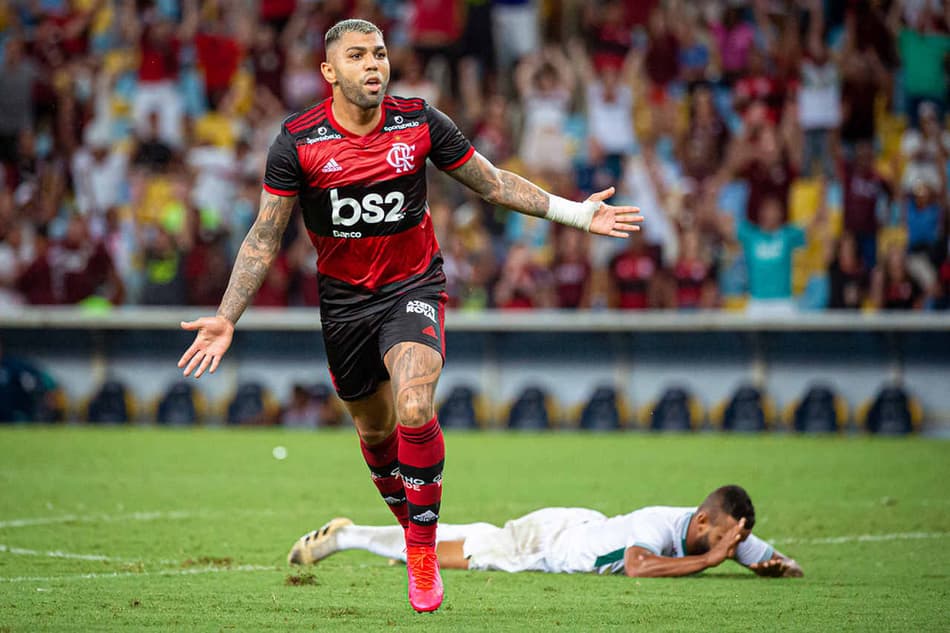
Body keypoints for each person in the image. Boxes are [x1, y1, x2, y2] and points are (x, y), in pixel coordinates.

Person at [177, 19, 643, 613]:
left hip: (412, 287)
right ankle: (410, 528)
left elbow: (493, 184)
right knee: (375, 433)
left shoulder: (419, 121)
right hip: (345, 305)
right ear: (329, 72)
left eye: (379, 53)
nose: (373, 64)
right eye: (357, 56)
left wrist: (577, 215)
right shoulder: (297, 141)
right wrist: (226, 317)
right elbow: (265, 238)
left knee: (415, 406)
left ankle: (422, 555)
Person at [287, 484, 803, 579]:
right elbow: (638, 566)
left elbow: (782, 562)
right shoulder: (658, 526)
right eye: (722, 539)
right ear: (702, 522)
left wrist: (775, 564)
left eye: (733, 542)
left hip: (573, 526)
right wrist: (709, 561)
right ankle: (348, 536)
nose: (728, 548)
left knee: (471, 536)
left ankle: (372, 540)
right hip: (549, 544)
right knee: (445, 554)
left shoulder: (713, 525)